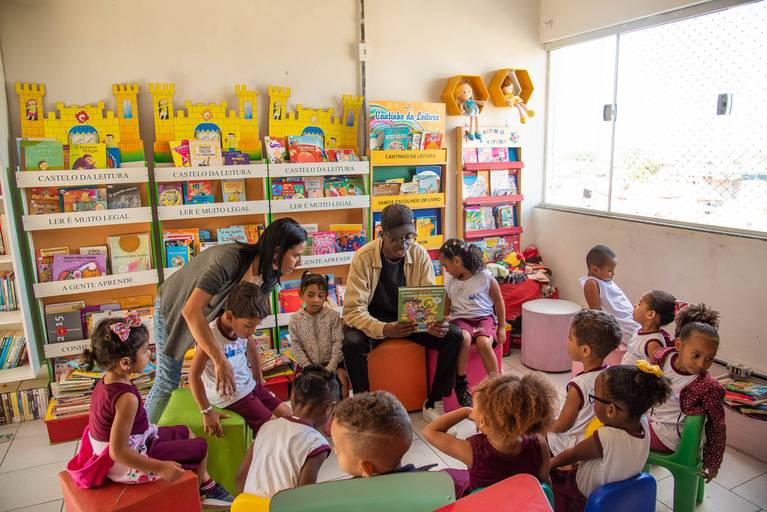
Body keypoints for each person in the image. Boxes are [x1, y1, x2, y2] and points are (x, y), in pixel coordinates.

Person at [145, 218, 307, 422]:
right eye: (296, 255)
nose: (299, 262)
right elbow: (191, 310)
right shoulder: (229, 259)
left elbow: (246, 325)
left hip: (206, 313)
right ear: (276, 252)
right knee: (167, 380)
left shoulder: (270, 276)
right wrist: (219, 359)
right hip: (175, 306)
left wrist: (256, 377)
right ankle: (141, 435)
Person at [66, 315, 233, 508]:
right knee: (201, 447)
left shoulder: (107, 382)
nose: (150, 355)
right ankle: (196, 497)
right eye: (145, 351)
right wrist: (161, 467)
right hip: (124, 462)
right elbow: (117, 451)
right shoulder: (126, 398)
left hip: (135, 440)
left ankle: (206, 485)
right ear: (125, 363)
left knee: (185, 431)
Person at [342, 204, 463, 422]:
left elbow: (427, 300)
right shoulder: (363, 257)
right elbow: (353, 310)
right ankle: (363, 406)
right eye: (396, 239)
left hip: (410, 321)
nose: (403, 244)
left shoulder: (419, 253)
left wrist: (434, 322)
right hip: (374, 320)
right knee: (351, 342)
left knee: (453, 335)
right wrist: (384, 329)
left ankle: (434, 401)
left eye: (408, 237)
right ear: (382, 234)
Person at [550, 363, 672, 512]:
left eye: (594, 398)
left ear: (610, 410)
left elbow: (573, 454)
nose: (593, 402)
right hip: (622, 496)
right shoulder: (644, 425)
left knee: (553, 481)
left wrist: (549, 464)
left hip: (584, 498)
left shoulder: (606, 437)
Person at [423, 374, 558, 498]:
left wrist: (465, 412)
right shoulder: (539, 444)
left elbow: (430, 431)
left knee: (447, 476)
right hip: (520, 504)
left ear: (482, 422)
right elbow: (545, 484)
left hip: (482, 505)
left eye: (474, 408)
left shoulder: (474, 452)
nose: (471, 410)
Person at [189, 282, 291, 437]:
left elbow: (252, 348)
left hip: (249, 385)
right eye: (249, 325)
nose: (253, 331)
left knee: (287, 413)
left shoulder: (242, 329)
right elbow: (193, 375)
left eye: (256, 325)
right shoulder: (209, 336)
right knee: (272, 428)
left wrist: (259, 378)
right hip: (231, 396)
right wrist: (206, 411)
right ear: (229, 316)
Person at [648, 303, 725, 482]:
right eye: (696, 355)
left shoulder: (708, 387)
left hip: (668, 435)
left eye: (710, 358)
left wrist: (712, 462)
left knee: (615, 433)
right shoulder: (661, 358)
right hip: (649, 419)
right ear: (679, 345)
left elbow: (717, 426)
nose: (701, 364)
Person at [237, 365, 338, 498]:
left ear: (292, 396)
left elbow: (241, 477)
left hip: (245, 504)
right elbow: (304, 497)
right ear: (329, 408)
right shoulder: (316, 443)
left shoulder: (267, 426)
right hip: (279, 506)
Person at [439, 238, 506, 407]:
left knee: (483, 342)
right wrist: (444, 317)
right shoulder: (450, 281)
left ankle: (497, 384)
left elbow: (498, 301)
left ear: (457, 261)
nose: (446, 270)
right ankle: (461, 382)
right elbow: (447, 303)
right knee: (464, 339)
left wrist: (502, 327)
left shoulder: (484, 276)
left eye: (446, 266)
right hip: (461, 319)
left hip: (484, 318)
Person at [547, 310, 622, 456]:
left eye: (570, 338)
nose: (567, 341)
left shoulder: (578, 386)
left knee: (535, 435)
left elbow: (562, 426)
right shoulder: (612, 376)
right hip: (595, 443)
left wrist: (543, 425)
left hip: (570, 447)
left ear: (585, 350)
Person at [289, 272, 349, 398]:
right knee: (299, 385)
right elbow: (296, 347)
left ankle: (342, 408)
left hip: (332, 364)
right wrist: (308, 367)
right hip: (307, 366)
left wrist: (331, 366)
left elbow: (338, 342)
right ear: (301, 294)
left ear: (326, 296)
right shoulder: (295, 320)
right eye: (310, 295)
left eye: (320, 295)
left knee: (342, 377)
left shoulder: (333, 316)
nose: (315, 300)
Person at [331, 391, 414, 477]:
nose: (334, 450)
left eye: (337, 449)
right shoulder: (417, 477)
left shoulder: (352, 486)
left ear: (366, 468)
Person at [580, 245, 640, 344]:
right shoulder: (592, 283)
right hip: (622, 326)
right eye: (610, 270)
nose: (613, 273)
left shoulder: (605, 279)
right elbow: (596, 313)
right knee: (636, 341)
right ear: (595, 270)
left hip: (631, 321)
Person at [621, 290, 676, 365]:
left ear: (650, 314)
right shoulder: (639, 330)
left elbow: (656, 368)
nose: (634, 306)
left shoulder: (653, 342)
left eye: (639, 304)